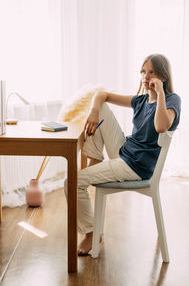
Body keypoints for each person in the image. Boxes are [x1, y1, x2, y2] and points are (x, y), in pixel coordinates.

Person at [64, 53, 181, 256]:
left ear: (163, 75)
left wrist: (160, 94)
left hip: (136, 167)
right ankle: (96, 159)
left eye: (152, 71)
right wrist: (93, 111)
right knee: (102, 107)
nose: (146, 76)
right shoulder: (141, 101)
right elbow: (101, 94)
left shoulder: (172, 100)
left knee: (71, 182)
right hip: (124, 151)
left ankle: (92, 233)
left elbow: (161, 126)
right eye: (143, 71)